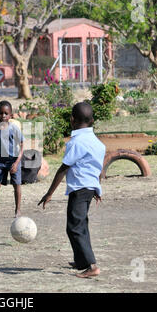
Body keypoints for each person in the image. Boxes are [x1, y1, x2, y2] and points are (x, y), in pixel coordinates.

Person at [38, 102, 105, 278]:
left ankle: (92, 266)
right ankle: (82, 261)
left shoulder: (76, 143)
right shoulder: (97, 143)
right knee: (80, 225)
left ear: (72, 120)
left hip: (80, 189)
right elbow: (97, 167)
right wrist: (97, 188)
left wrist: (49, 193)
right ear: (92, 120)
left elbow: (63, 169)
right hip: (88, 189)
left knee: (75, 227)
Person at [0, 101, 24, 219]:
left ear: (11, 115)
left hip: (13, 160)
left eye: (6, 113)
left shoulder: (14, 128)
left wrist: (17, 162)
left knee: (16, 184)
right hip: (0, 161)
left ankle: (17, 210)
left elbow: (22, 145)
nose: (3, 116)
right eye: (1, 113)